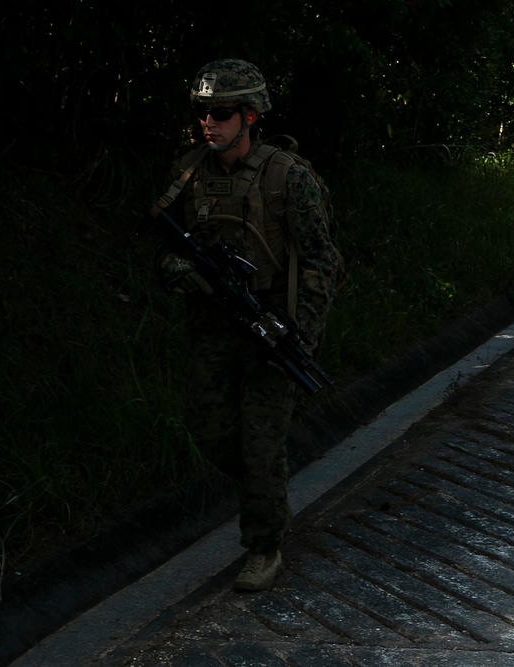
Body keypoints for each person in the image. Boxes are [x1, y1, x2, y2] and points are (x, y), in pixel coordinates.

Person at [153, 59, 337, 591]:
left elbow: (321, 259)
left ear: (250, 116)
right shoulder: (188, 173)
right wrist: (177, 270)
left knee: (260, 439)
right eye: (203, 112)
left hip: (271, 325)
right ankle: (270, 489)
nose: (209, 122)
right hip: (214, 324)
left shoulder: (288, 176)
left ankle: (263, 544)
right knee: (208, 427)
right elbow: (164, 248)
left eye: (222, 113)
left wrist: (298, 328)